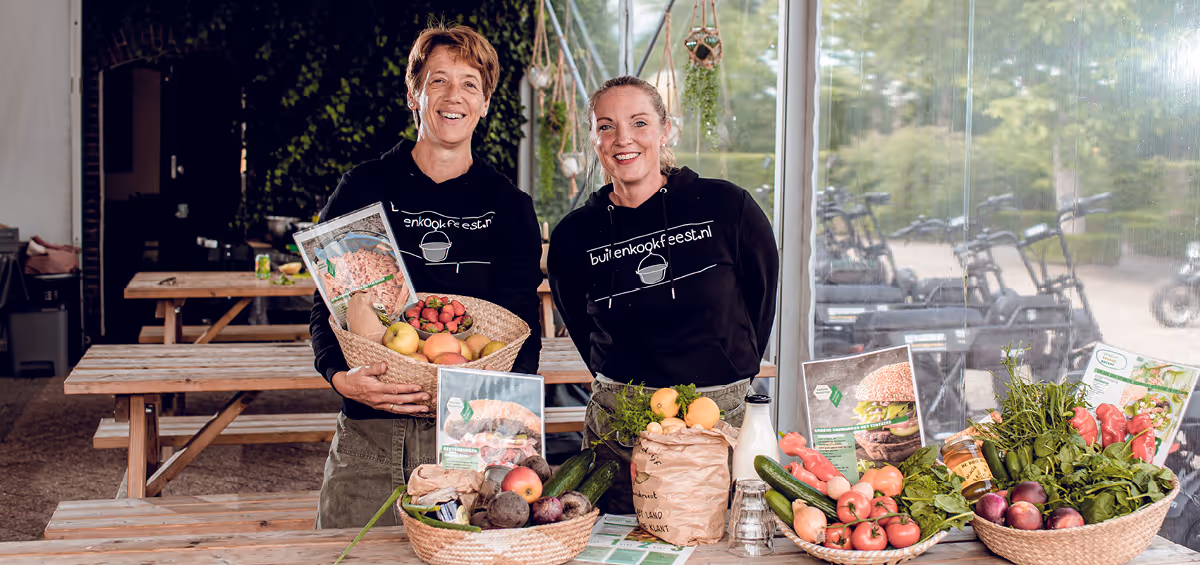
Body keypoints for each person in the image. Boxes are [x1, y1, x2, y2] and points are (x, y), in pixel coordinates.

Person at [310, 24, 543, 529]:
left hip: (464, 441)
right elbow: (326, 304)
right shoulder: (363, 187)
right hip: (371, 437)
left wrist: (498, 441)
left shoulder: (509, 206)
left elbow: (523, 330)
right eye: (438, 80)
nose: (453, 96)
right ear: (415, 94)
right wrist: (342, 379)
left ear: (484, 103)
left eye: (469, 84)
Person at [547, 76, 780, 514]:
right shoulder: (574, 235)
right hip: (619, 434)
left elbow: (760, 300)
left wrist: (733, 370)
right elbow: (581, 326)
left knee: (717, 546)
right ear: (594, 138)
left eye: (639, 123)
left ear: (665, 129)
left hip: (718, 424)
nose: (623, 140)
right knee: (615, 547)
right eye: (606, 126)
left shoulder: (728, 207)